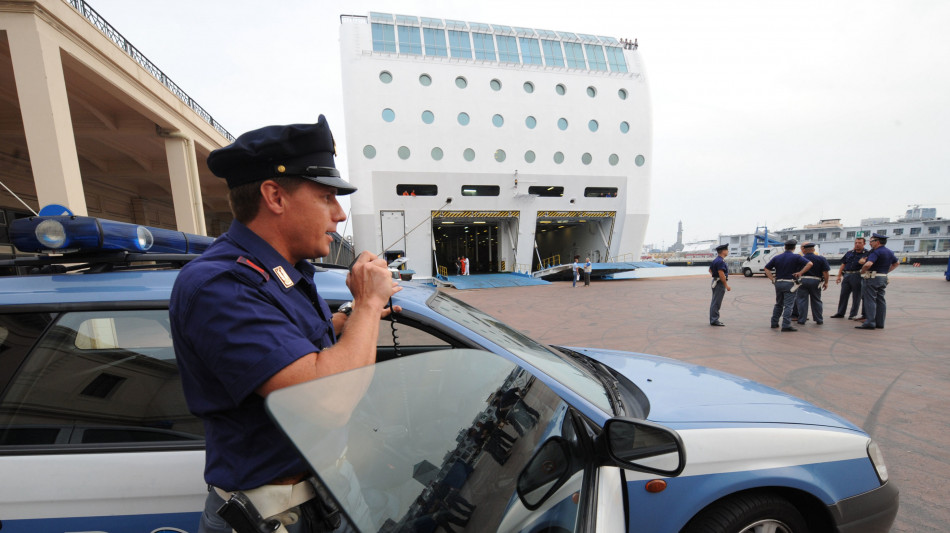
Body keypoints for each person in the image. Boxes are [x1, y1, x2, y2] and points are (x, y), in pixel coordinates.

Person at [169, 117, 401, 533]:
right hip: (274, 517)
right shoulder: (220, 285)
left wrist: (346, 322)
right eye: (327, 197)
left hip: (326, 494)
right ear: (274, 195)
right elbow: (327, 402)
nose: (339, 213)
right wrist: (368, 304)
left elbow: (298, 349)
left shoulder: (283, 271)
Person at [764, 239, 813, 331]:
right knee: (788, 305)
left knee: (778, 304)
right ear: (794, 248)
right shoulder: (796, 257)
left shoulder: (777, 257)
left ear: (785, 247)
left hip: (778, 283)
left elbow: (766, 268)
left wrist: (773, 279)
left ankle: (774, 323)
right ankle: (786, 325)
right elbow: (810, 264)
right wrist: (800, 272)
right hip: (790, 283)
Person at [856, 233, 899, 330]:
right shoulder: (889, 252)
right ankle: (880, 322)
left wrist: (862, 271)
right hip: (883, 277)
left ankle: (870, 322)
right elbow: (897, 263)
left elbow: (868, 264)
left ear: (877, 242)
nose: (870, 244)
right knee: (881, 300)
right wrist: (885, 271)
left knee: (870, 299)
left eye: (871, 241)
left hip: (872, 278)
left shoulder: (876, 252)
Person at [831, 237, 869, 319]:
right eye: (856, 243)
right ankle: (840, 313)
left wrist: (863, 263)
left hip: (857, 275)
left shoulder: (867, 253)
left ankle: (853, 314)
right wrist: (839, 276)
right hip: (847, 275)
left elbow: (869, 265)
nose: (857, 244)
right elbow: (843, 264)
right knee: (843, 295)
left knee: (856, 296)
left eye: (859, 243)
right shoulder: (849, 253)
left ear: (864, 244)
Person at [795, 242, 831, 325]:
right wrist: (826, 282)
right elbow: (825, 272)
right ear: (814, 250)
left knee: (802, 300)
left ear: (804, 250)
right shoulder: (821, 259)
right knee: (816, 300)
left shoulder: (801, 259)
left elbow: (796, 272)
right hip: (816, 281)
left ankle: (801, 319)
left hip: (802, 281)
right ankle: (819, 319)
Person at [708, 243, 730, 326]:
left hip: (715, 281)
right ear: (723, 251)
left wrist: (715, 276)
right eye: (727, 250)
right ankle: (714, 319)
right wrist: (726, 285)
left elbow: (710, 270)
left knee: (714, 301)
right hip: (719, 283)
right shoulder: (720, 261)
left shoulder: (716, 260)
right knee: (716, 302)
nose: (728, 251)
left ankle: (713, 318)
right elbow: (721, 274)